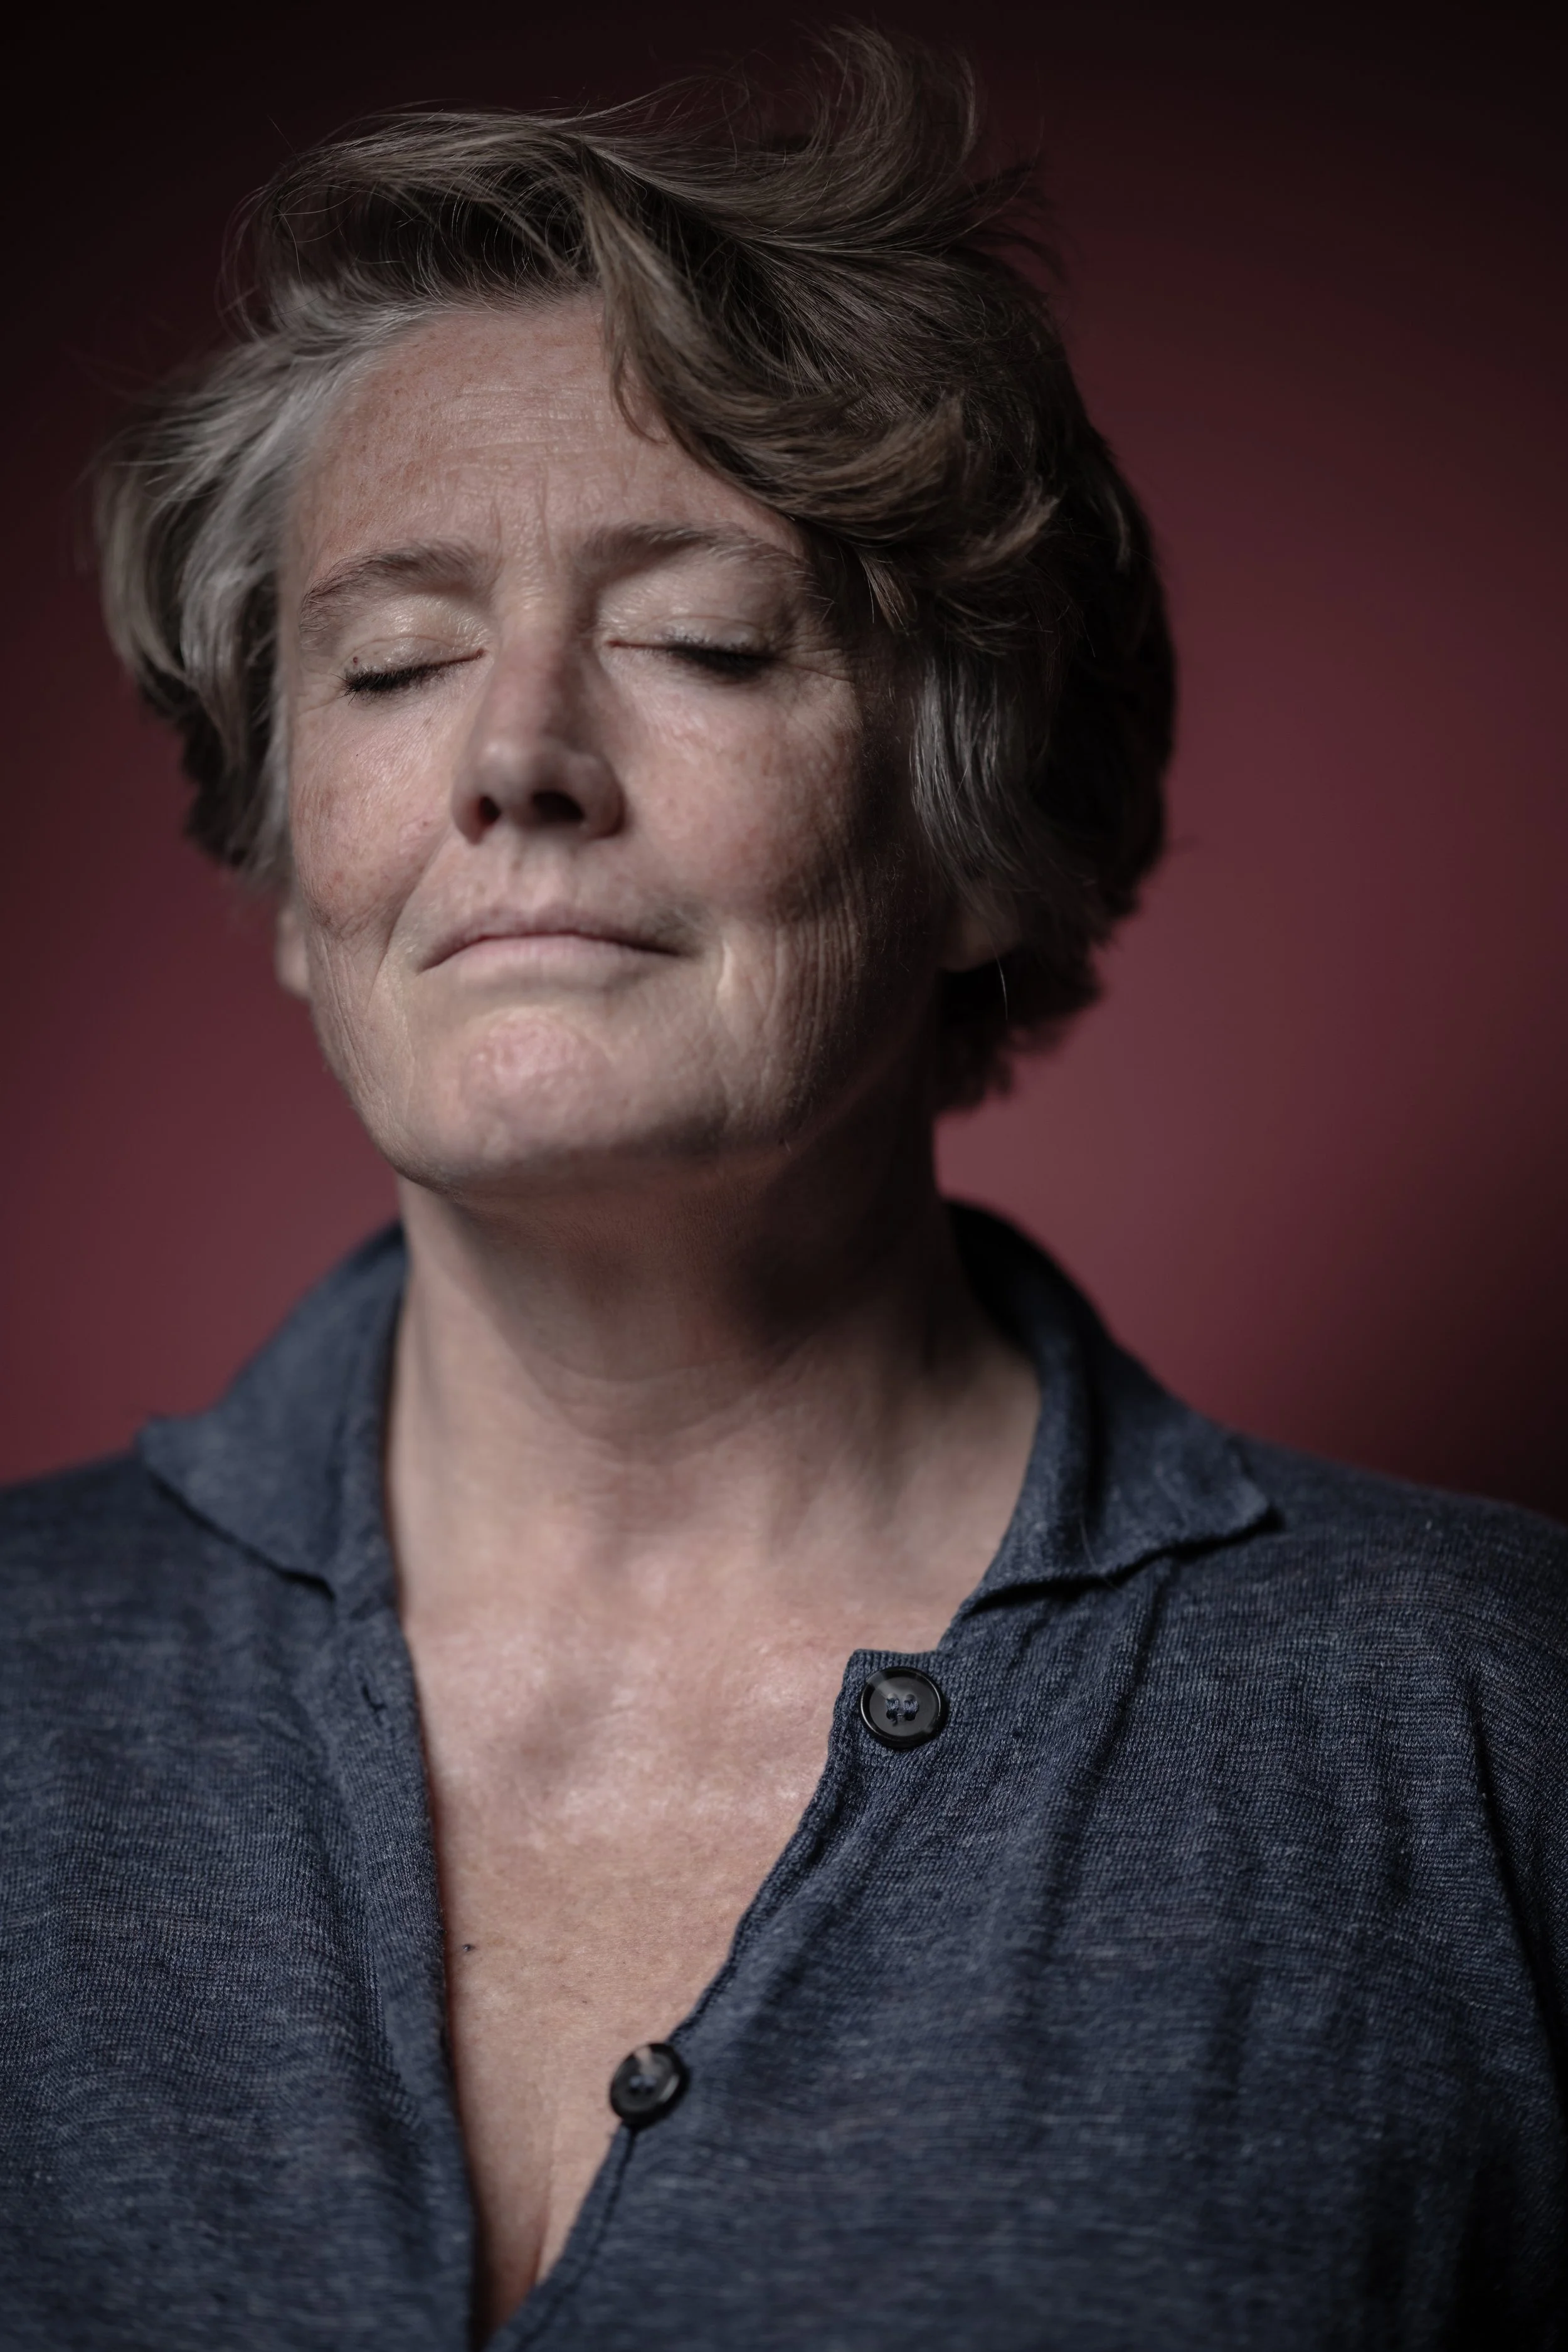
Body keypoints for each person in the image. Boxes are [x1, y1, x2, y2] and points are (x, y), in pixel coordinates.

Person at [2, 30, 1564, 2351]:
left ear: (975, 830)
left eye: (701, 641)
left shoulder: (1485, 1729)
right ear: (299, 874)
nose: (518, 757)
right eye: (395, 662)